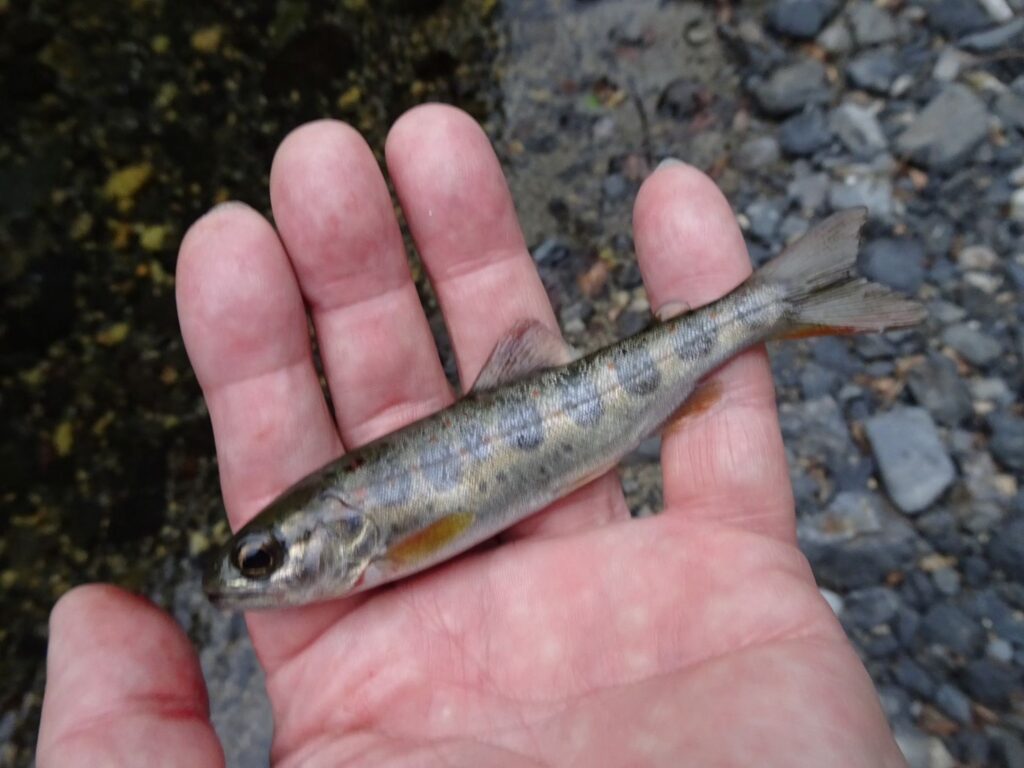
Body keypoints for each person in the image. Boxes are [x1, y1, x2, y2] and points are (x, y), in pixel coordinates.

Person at [36, 105, 905, 767]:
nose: (249, 577)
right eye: (258, 560)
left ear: (333, 527)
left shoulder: (384, 543)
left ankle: (772, 302)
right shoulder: (361, 546)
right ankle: (774, 302)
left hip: (577, 413)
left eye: (263, 559)